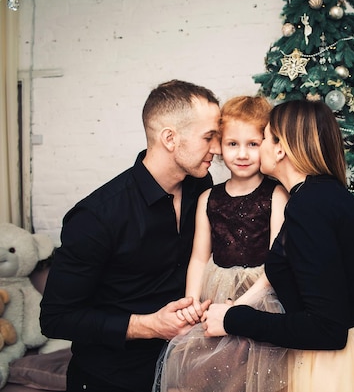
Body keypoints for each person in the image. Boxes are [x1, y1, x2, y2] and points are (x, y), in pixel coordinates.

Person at [203, 99, 354, 392]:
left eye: (263, 138)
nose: (259, 147)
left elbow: (326, 329)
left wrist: (233, 319)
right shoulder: (326, 196)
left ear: (280, 148)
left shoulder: (309, 206)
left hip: (333, 371)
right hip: (353, 354)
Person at [39, 79, 221, 392]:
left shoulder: (201, 187)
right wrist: (148, 325)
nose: (217, 149)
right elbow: (56, 318)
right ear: (170, 138)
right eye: (209, 137)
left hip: (180, 370)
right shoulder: (97, 216)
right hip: (110, 378)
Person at [155, 96, 290, 392]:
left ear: (267, 144)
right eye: (233, 144)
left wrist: (238, 310)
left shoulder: (277, 195)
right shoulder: (208, 198)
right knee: (211, 372)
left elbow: (277, 264)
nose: (242, 154)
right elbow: (199, 258)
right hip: (215, 294)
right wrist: (191, 304)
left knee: (257, 373)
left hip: (261, 295)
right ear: (219, 147)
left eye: (253, 144)